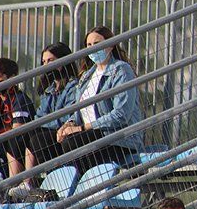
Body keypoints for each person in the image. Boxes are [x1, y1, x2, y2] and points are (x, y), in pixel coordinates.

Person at [57, 26, 142, 174]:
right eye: (89, 45)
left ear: (110, 44)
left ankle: (88, 185)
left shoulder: (121, 70)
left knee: (73, 141)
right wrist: (68, 124)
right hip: (91, 136)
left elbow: (121, 114)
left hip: (117, 139)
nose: (92, 48)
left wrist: (81, 128)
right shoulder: (87, 76)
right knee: (41, 140)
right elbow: (80, 111)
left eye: (97, 44)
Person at [0, 59, 36, 193]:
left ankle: (14, 185)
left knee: (12, 138)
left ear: (11, 78)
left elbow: (17, 128)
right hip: (0, 146)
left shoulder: (19, 99)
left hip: (22, 145)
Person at [26, 42, 78, 177]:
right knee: (25, 135)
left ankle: (50, 177)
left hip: (63, 132)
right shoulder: (48, 89)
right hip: (50, 130)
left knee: (38, 138)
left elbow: (68, 116)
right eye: (43, 62)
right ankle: (27, 182)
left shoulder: (74, 86)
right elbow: (40, 116)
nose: (46, 65)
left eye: (50, 60)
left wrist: (45, 123)